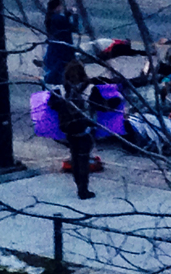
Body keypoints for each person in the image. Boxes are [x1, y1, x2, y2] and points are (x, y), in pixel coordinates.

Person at [49, 60, 120, 200]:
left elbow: (52, 104)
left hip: (68, 129)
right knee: (83, 157)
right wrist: (117, 101)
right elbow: (102, 107)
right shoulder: (90, 89)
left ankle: (78, 184)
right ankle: (83, 189)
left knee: (74, 155)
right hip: (85, 129)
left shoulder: (60, 90)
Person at [43, 0, 79, 85]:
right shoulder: (59, 18)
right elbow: (73, 28)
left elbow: (62, 27)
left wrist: (67, 15)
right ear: (57, 7)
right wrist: (75, 15)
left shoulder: (50, 18)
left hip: (54, 47)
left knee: (54, 67)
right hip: (64, 49)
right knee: (62, 69)